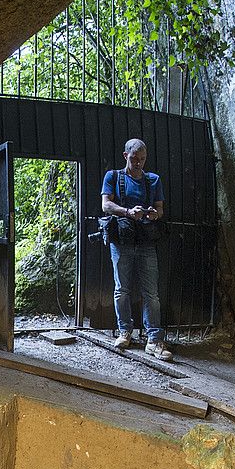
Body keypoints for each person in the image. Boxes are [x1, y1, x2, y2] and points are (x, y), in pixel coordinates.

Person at [101, 138, 171, 361]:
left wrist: (153, 214)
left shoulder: (153, 180)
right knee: (122, 289)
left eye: (142, 159)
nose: (138, 163)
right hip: (121, 241)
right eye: (134, 158)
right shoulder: (113, 177)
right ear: (125, 156)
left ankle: (154, 339)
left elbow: (160, 209)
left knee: (152, 293)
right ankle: (125, 332)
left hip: (146, 242)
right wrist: (128, 211)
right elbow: (106, 205)